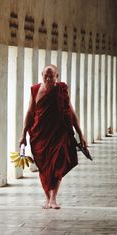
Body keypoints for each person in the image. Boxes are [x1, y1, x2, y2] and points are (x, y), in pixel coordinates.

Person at [19, 64, 87, 209]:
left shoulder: (61, 90)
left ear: (57, 76)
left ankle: (53, 199)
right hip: (39, 135)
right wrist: (23, 134)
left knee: (57, 164)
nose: (49, 79)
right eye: (46, 76)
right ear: (42, 75)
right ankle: (47, 198)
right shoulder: (35, 90)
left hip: (58, 134)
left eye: (52, 76)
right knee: (44, 167)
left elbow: (71, 112)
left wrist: (81, 133)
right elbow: (30, 113)